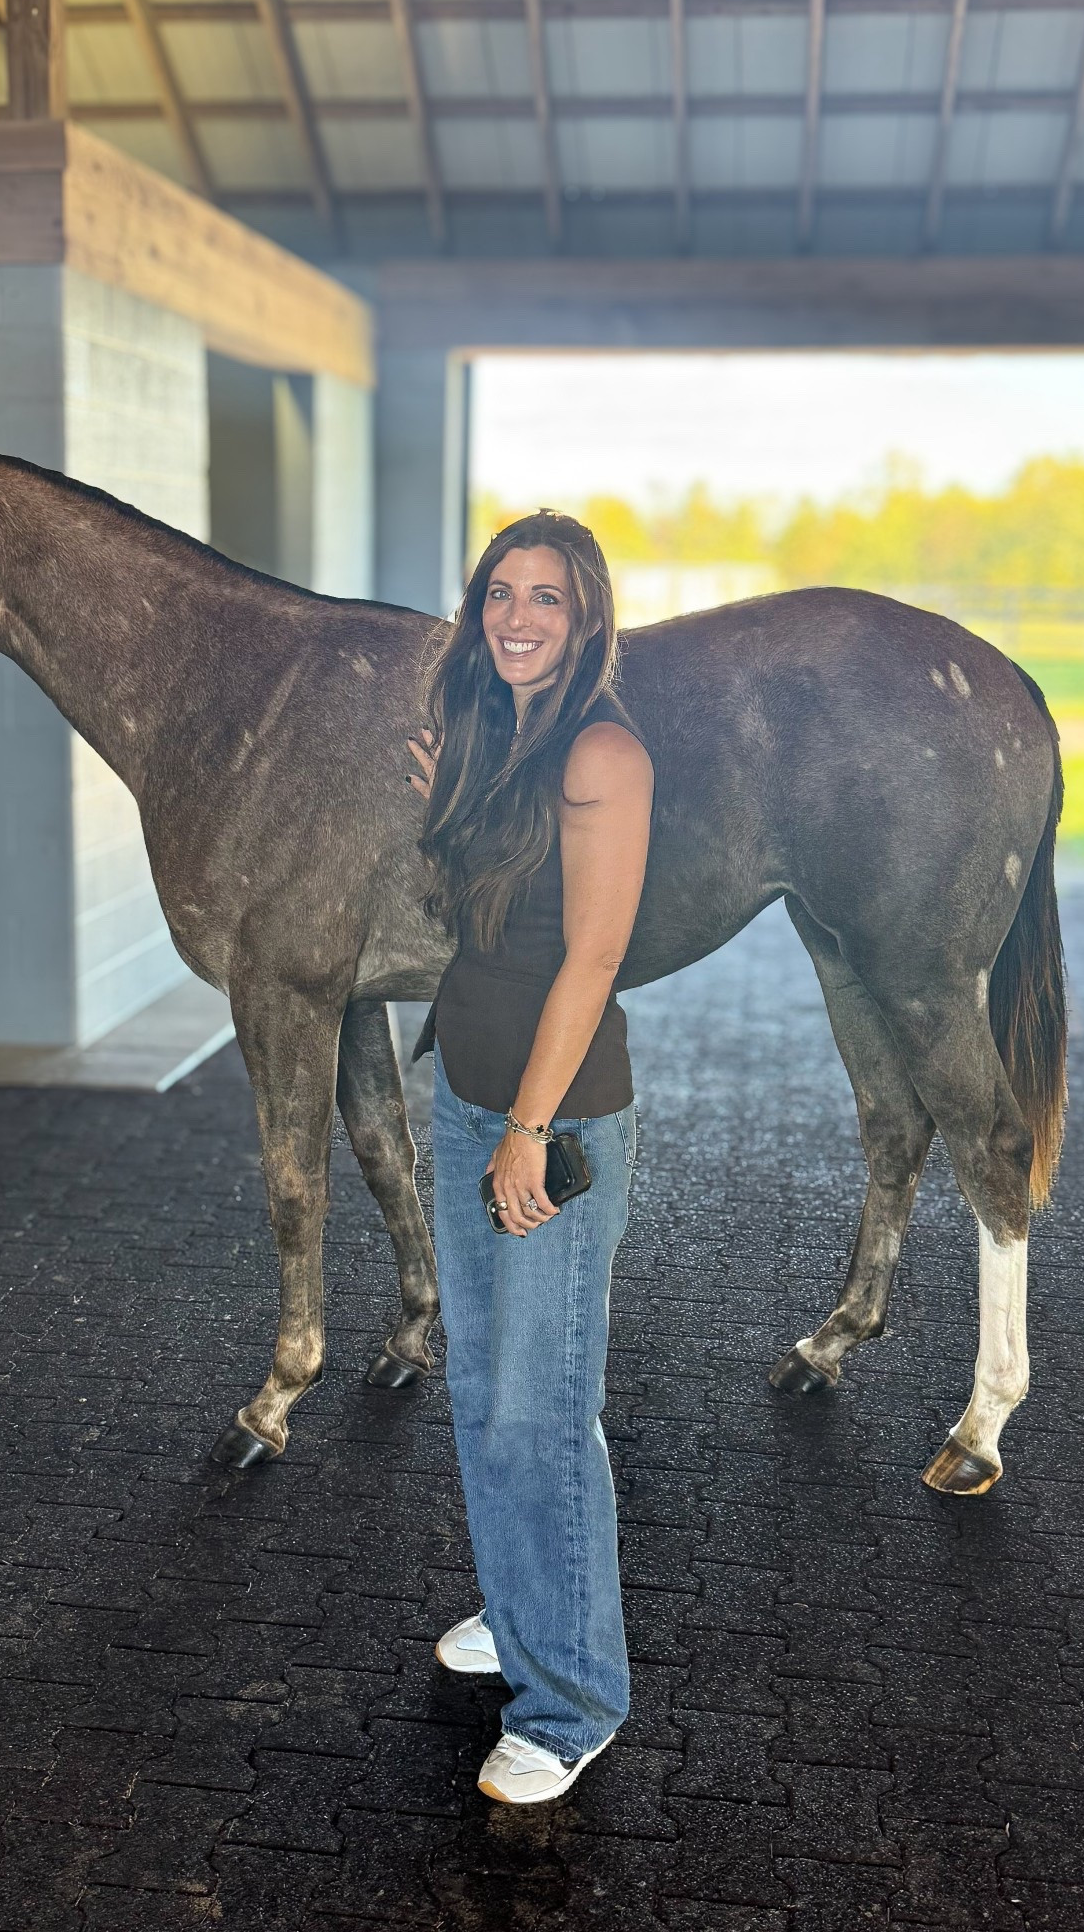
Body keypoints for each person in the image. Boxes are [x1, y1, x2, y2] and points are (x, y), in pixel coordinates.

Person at [404, 509, 654, 1806]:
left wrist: (525, 1133)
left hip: (548, 1123)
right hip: (463, 1089)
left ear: (586, 614)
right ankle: (525, 1605)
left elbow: (593, 955)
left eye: (546, 596)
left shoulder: (601, 750)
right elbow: (478, 918)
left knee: (540, 1408)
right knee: (485, 1393)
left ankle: (570, 1702)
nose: (517, 616)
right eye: (501, 591)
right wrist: (442, 797)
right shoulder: (493, 736)